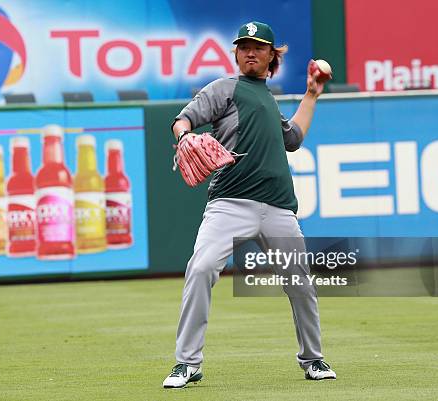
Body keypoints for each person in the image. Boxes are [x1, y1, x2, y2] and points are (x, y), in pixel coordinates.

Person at [162, 21, 336, 388]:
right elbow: (183, 119)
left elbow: (294, 139)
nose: (250, 52)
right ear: (237, 53)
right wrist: (186, 135)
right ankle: (187, 363)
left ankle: (314, 359)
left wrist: (312, 94)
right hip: (229, 204)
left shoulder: (269, 101)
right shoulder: (224, 88)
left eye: (258, 47)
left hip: (277, 209)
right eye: (243, 46)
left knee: (301, 283)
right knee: (202, 267)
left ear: (273, 56)